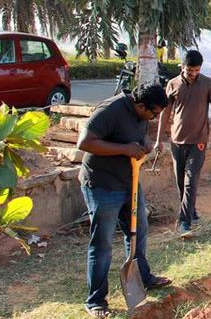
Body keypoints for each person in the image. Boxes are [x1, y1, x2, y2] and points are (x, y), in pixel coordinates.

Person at [77, 83, 172, 317]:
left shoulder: (142, 112)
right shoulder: (110, 110)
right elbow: (85, 142)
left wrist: (145, 143)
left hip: (129, 182)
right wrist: (123, 149)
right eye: (153, 114)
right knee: (103, 245)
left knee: (139, 230)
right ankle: (96, 301)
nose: (154, 118)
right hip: (102, 185)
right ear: (140, 105)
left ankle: (143, 277)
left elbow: (137, 136)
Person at [154, 50, 211, 238]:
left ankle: (184, 222)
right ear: (181, 67)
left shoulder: (207, 84)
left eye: (196, 70)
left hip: (198, 141)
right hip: (177, 141)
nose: (193, 74)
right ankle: (191, 211)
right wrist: (159, 139)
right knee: (180, 181)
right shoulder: (172, 84)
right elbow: (165, 113)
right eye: (189, 70)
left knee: (190, 180)